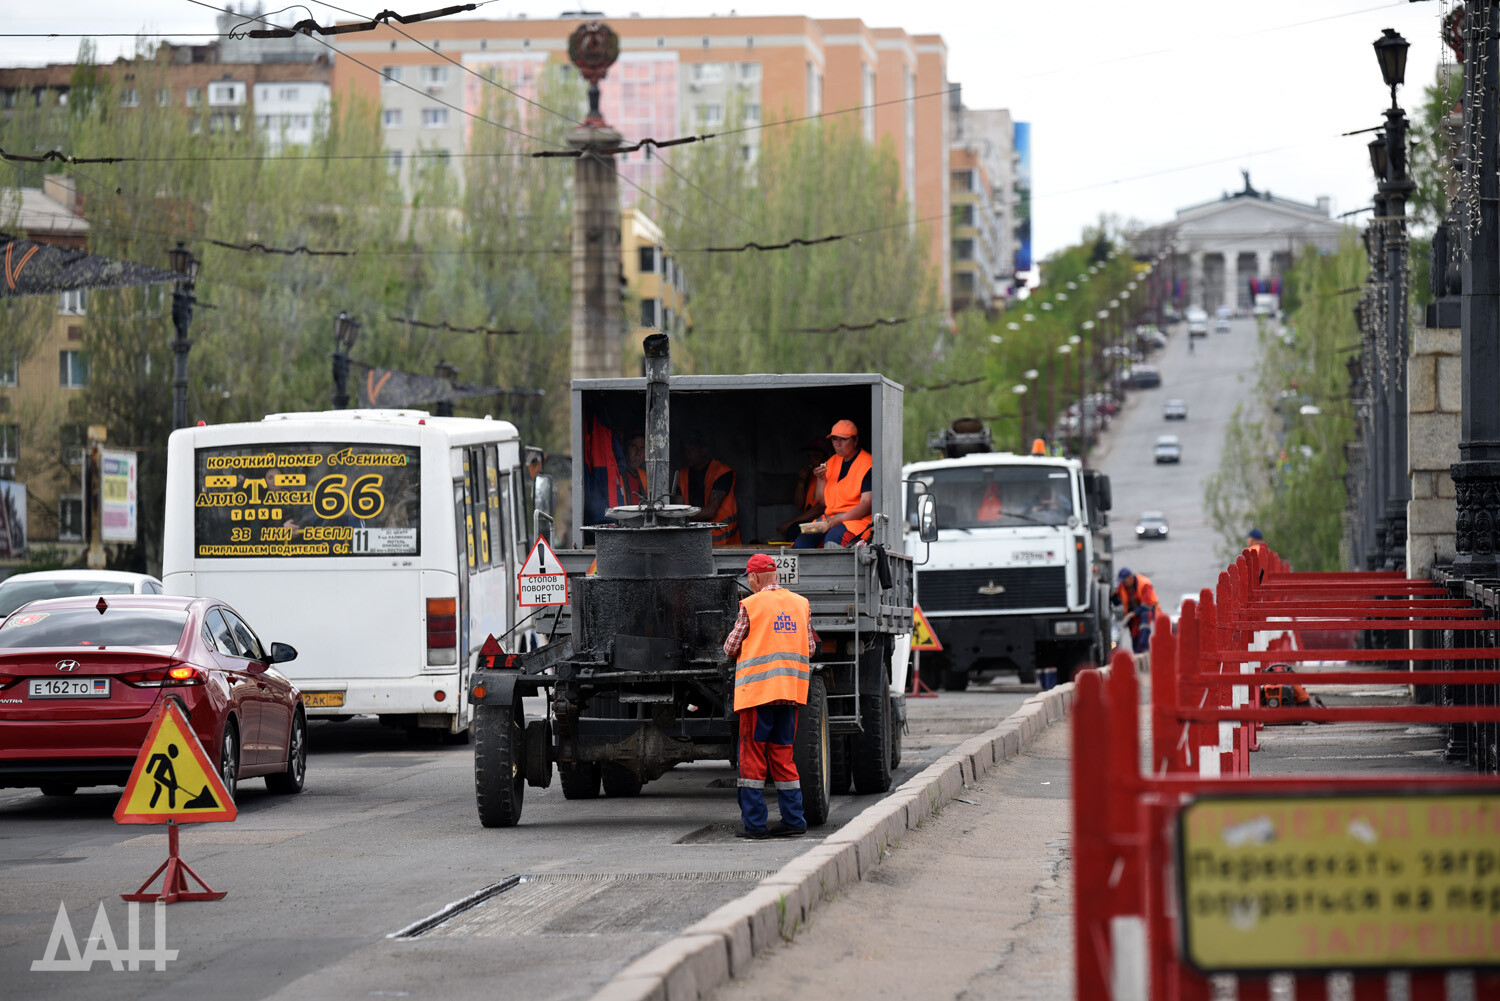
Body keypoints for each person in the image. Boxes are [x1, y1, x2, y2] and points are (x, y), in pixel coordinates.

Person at [722, 553, 817, 839]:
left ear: (753, 578)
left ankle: (755, 826)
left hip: (758, 696)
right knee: (783, 757)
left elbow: (730, 647)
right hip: (790, 694)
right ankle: (794, 822)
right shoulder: (801, 604)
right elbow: (810, 648)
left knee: (752, 758)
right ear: (776, 576)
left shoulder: (750, 605)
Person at [793, 419, 873, 549]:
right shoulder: (831, 462)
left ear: (855, 440)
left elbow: (866, 505)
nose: (838, 444)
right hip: (829, 520)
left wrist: (837, 520)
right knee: (802, 543)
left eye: (843, 439)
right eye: (834, 439)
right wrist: (820, 478)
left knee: (833, 539)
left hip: (856, 522)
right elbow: (823, 501)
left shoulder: (867, 464)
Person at [673, 437, 740, 545]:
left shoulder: (722, 472)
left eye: (691, 450)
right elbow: (677, 508)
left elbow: (710, 511)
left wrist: (680, 516)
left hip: (723, 543)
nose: (687, 454)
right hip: (690, 540)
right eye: (685, 451)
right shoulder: (682, 474)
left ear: (703, 451)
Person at [777, 440, 829, 541]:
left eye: (816, 456)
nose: (811, 460)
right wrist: (801, 482)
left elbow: (820, 508)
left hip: (824, 521)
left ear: (826, 458)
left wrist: (790, 523)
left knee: (794, 529)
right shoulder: (811, 475)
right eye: (809, 456)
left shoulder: (829, 475)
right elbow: (798, 505)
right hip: (811, 521)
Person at [1112, 567, 1159, 654]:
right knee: (1135, 639)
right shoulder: (1122, 586)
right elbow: (1117, 601)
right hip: (1134, 614)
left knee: (1143, 636)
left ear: (1130, 578)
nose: (1123, 583)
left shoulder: (1144, 584)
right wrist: (1112, 595)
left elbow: (1147, 605)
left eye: (1124, 580)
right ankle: (1138, 656)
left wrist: (1130, 615)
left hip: (1147, 611)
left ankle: (1144, 653)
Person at [621, 432, 648, 506]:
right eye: (634, 447)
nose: (638, 453)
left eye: (642, 448)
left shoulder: (644, 476)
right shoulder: (617, 473)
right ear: (626, 448)